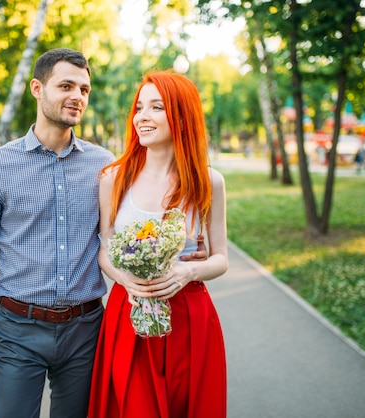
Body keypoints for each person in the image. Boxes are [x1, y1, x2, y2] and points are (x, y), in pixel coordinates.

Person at [0, 48, 116, 418]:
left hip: (86, 333)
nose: (78, 96)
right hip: (16, 332)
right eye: (66, 85)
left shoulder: (104, 166)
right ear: (37, 88)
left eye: (85, 89)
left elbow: (121, 240)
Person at [88, 71, 229, 418]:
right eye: (139, 107)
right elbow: (104, 249)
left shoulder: (208, 182)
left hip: (190, 318)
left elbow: (221, 257)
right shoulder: (113, 177)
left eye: (156, 107)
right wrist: (124, 279)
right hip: (129, 314)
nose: (142, 117)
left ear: (181, 116)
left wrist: (188, 270)